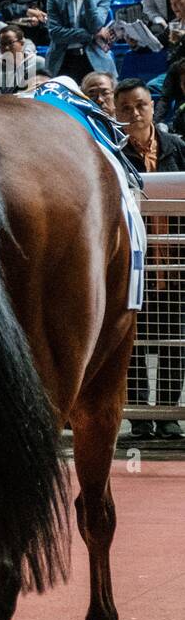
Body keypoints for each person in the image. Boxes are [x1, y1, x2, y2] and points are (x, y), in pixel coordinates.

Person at [116, 80, 185, 439]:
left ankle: (169, 415)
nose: (134, 113)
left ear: (154, 106)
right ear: (115, 113)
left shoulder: (178, 147)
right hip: (133, 266)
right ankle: (140, 416)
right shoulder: (112, 154)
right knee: (132, 344)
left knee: (175, 341)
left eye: (140, 105)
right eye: (125, 108)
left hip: (173, 264)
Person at [45, 0, 116, 79]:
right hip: (63, 59)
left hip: (93, 58)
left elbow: (95, 26)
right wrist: (91, 35)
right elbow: (55, 34)